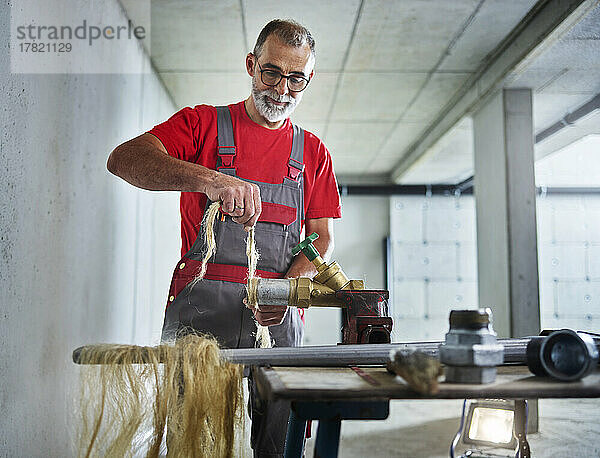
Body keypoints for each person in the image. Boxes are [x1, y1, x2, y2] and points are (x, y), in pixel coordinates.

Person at [107, 19, 341, 457]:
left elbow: (320, 239)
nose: (282, 89)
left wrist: (288, 289)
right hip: (200, 311)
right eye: (271, 72)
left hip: (276, 316)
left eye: (296, 79)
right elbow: (124, 160)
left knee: (278, 440)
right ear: (251, 65)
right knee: (190, 439)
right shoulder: (202, 125)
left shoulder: (313, 153)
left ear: (308, 80)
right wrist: (207, 179)